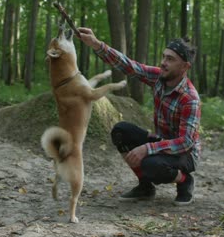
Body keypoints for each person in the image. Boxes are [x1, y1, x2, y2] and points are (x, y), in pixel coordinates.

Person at [77, 27, 201, 205]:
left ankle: (184, 180)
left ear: (185, 67)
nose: (163, 62)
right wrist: (97, 45)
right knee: (121, 131)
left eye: (170, 59)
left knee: (151, 164)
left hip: (185, 154)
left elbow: (186, 142)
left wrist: (147, 148)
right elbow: (129, 66)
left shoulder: (190, 98)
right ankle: (145, 187)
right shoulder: (159, 77)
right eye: (164, 56)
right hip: (161, 141)